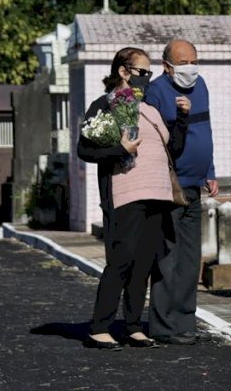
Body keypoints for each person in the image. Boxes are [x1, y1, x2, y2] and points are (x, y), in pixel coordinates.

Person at [77, 47, 189, 350]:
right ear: (124, 71)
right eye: (142, 72)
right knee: (121, 261)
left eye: (149, 74)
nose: (146, 79)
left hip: (158, 194)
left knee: (144, 264)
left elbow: (173, 149)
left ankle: (133, 326)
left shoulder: (149, 108)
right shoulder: (105, 105)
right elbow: (84, 150)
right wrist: (119, 151)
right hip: (125, 195)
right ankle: (99, 327)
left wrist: (181, 119)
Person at [143, 39, 218, 345]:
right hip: (169, 186)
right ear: (167, 66)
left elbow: (206, 133)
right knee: (167, 257)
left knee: (190, 257)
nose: (190, 68)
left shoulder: (201, 88)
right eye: (183, 63)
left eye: (194, 61)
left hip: (195, 184)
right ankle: (163, 326)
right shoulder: (157, 92)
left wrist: (210, 172)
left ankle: (185, 322)